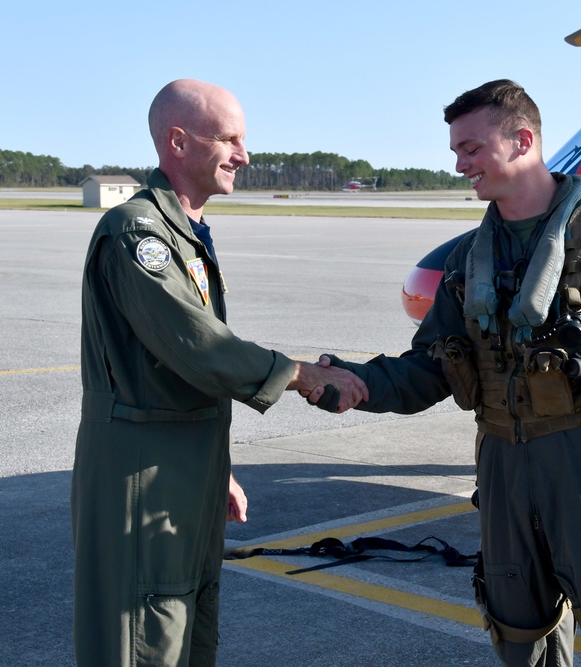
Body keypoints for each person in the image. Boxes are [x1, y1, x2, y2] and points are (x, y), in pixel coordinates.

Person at [311, 80, 581, 666]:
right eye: (455, 151)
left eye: (471, 149)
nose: (460, 164)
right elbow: (428, 368)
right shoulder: (468, 258)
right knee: (518, 634)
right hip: (501, 464)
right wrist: (352, 382)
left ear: (522, 140)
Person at [70, 78, 367, 667]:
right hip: (144, 472)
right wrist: (297, 374)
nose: (244, 156)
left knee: (187, 622)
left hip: (186, 467)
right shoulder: (139, 233)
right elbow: (197, 345)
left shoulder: (183, 232)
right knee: (145, 636)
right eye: (229, 139)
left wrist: (216, 468)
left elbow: (181, 372)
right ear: (178, 142)